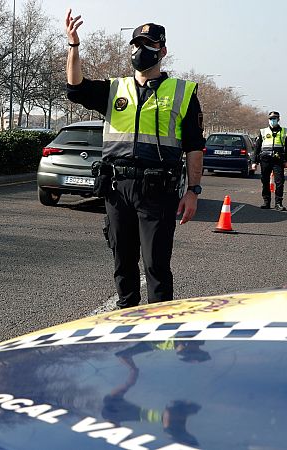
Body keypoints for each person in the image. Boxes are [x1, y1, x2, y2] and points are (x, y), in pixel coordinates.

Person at [65, 11, 205, 308]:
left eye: (148, 44)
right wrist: (73, 47)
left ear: (162, 51)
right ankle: (124, 325)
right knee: (123, 262)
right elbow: (75, 88)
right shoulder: (115, 89)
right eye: (136, 44)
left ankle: (158, 333)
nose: (140, 51)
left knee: (156, 265)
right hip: (117, 187)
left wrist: (193, 191)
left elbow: (194, 146)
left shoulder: (183, 93)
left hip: (158, 190)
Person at [252, 111, 287, 210]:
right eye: (271, 119)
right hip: (265, 159)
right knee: (265, 181)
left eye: (274, 119)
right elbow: (257, 147)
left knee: (279, 182)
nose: (272, 121)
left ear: (278, 119)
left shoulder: (285, 132)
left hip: (278, 160)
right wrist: (254, 162)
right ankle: (266, 202)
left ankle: (278, 203)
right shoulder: (263, 131)